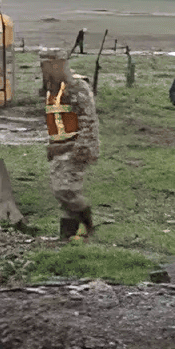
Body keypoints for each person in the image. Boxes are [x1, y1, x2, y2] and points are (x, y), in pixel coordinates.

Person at [41, 50, 100, 240]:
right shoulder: (52, 88)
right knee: (60, 191)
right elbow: (54, 120)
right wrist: (51, 145)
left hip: (74, 147)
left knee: (66, 189)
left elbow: (88, 120)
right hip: (58, 147)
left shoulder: (77, 87)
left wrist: (83, 149)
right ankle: (67, 235)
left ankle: (87, 225)